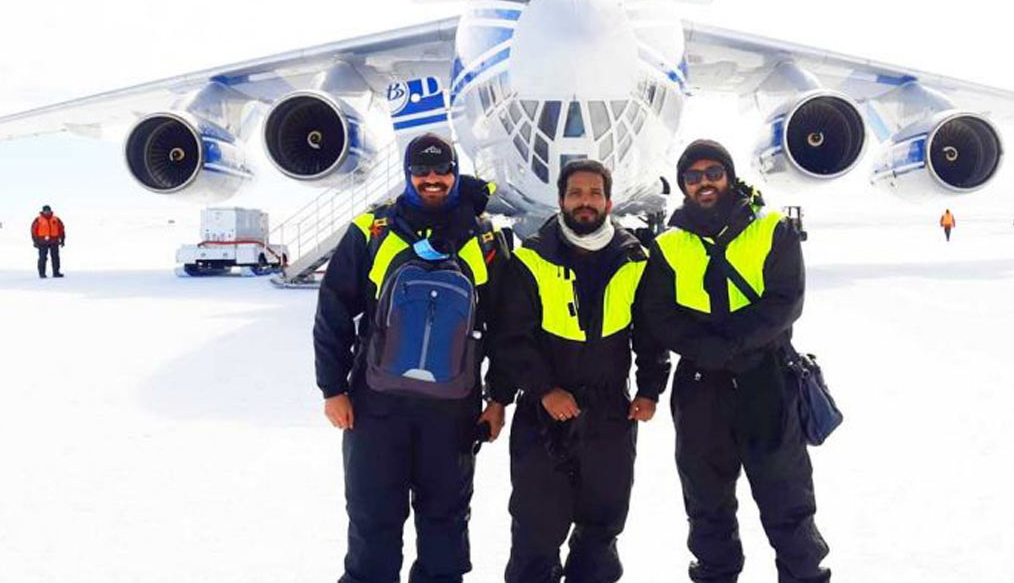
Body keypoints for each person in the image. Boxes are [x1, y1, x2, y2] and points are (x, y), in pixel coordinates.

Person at [313, 133, 513, 583]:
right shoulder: (372, 230)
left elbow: (505, 325)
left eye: (441, 170)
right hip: (375, 405)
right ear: (408, 175)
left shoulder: (484, 237)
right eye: (421, 171)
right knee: (372, 518)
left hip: (453, 409)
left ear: (455, 173)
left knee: (445, 523)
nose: (432, 179)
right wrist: (333, 389)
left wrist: (499, 398)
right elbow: (333, 311)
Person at [640, 140, 829, 583]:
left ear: (729, 176)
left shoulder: (772, 228)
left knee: (787, 499)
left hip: (766, 380)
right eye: (693, 177)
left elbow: (787, 301)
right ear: (684, 185)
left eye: (713, 173)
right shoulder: (668, 245)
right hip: (700, 388)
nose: (704, 183)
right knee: (706, 504)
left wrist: (733, 345)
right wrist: (706, 350)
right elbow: (658, 315)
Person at [495, 159, 670, 582]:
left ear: (608, 202)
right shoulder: (531, 258)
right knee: (536, 530)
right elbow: (511, 337)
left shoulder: (635, 258)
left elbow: (650, 333)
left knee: (601, 528)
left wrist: (649, 389)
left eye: (594, 193)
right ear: (561, 201)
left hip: (609, 413)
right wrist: (544, 390)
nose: (585, 201)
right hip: (544, 415)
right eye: (575, 193)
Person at [30, 204, 66, 278]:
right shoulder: (38, 220)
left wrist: (62, 240)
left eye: (48, 210)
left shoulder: (56, 219)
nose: (47, 212)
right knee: (42, 258)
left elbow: (61, 229)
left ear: (50, 211)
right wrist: (35, 241)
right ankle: (42, 273)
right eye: (45, 211)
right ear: (43, 211)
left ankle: (56, 272)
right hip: (42, 242)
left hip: (54, 241)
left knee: (55, 257)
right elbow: (33, 231)